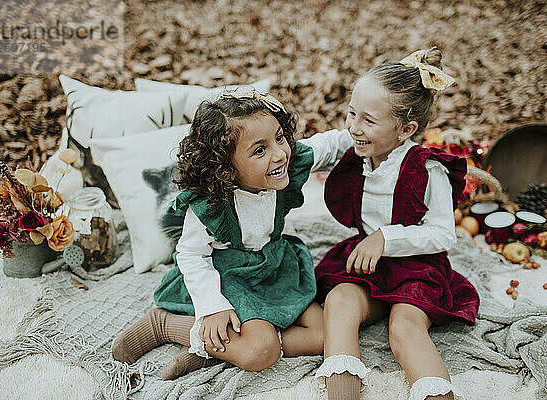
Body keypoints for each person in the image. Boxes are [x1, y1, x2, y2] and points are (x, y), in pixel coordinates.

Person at [112, 90, 351, 380]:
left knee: (325, 335)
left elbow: (334, 143)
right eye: (259, 150)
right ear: (226, 167)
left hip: (274, 266)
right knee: (261, 351)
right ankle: (163, 325)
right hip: (229, 274)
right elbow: (190, 254)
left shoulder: (291, 161)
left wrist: (369, 133)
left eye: (279, 138)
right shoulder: (210, 205)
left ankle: (215, 350)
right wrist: (212, 307)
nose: (279, 154)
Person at [308, 48, 480, 400]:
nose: (354, 127)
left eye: (368, 120)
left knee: (403, 329)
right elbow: (320, 147)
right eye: (351, 113)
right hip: (366, 263)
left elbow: (444, 233)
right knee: (339, 302)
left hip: (417, 268)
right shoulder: (357, 147)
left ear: (406, 129)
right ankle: (342, 394)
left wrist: (386, 237)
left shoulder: (427, 169)